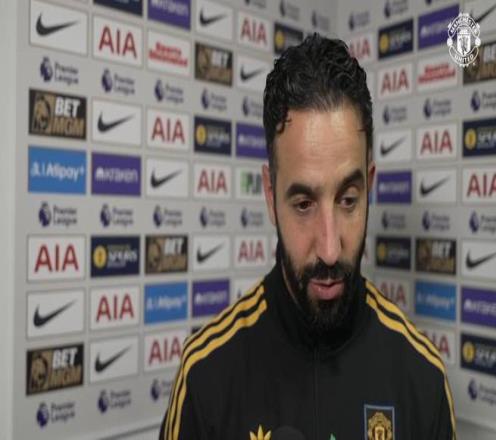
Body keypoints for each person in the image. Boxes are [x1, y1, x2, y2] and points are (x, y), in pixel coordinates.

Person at [159, 34, 456, 440]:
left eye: (348, 200)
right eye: (303, 204)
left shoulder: (420, 374)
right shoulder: (206, 374)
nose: (330, 250)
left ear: (370, 187)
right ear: (270, 195)